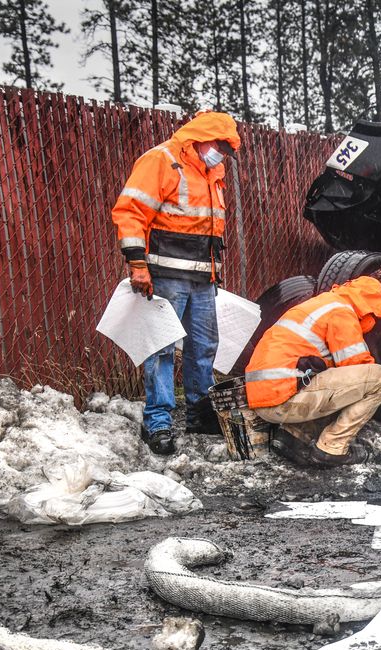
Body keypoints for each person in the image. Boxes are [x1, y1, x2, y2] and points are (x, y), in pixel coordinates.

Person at [111, 111, 242, 456]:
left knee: (204, 346)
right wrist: (137, 263)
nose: (222, 153)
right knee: (162, 347)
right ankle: (158, 421)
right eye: (220, 145)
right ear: (200, 137)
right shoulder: (162, 161)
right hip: (165, 275)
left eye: (227, 149)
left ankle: (200, 413)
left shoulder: (212, 172)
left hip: (201, 277)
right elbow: (130, 211)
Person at [244, 276, 381, 468]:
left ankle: (291, 438)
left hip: (264, 400)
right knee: (379, 377)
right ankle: (331, 449)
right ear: (369, 304)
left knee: (331, 377)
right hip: (282, 399)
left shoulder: (322, 305)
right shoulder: (341, 312)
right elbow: (358, 367)